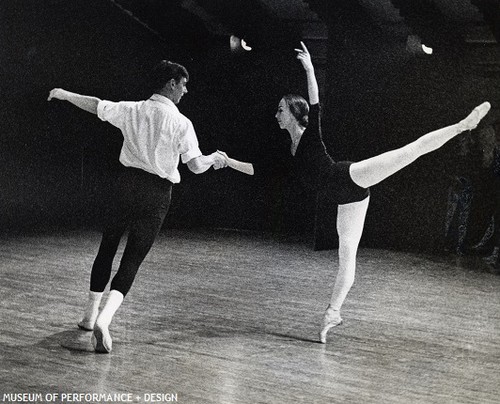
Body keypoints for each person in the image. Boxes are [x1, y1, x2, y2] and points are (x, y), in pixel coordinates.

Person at [217, 42, 491, 343]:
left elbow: (316, 101)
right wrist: (228, 161)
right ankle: (333, 313)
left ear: (294, 113)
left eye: (280, 110)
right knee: (346, 259)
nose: (276, 114)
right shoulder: (288, 152)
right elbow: (258, 169)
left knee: (409, 152)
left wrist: (309, 68)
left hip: (351, 178)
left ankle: (463, 125)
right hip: (346, 201)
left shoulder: (309, 135)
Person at [48, 60, 227, 353]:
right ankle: (104, 320)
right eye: (183, 84)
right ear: (171, 83)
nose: (185, 90)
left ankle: (89, 316)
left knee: (107, 247)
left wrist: (66, 94)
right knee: (132, 259)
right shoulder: (182, 123)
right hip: (157, 194)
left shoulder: (133, 109)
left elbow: (96, 106)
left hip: (125, 186)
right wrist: (213, 159)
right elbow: (194, 166)